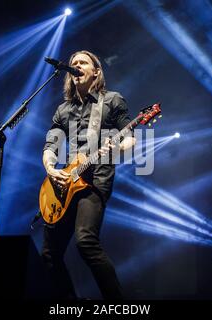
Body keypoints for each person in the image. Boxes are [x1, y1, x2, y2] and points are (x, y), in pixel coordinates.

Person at [41, 50, 135, 300]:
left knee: (85, 241)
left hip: (95, 182)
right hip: (67, 182)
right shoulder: (63, 110)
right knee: (49, 255)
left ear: (96, 71)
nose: (76, 66)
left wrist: (118, 147)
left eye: (83, 62)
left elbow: (130, 138)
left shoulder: (112, 100)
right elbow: (50, 146)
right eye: (73, 64)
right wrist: (52, 169)